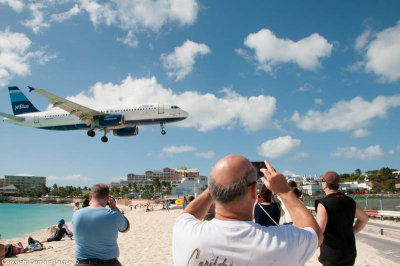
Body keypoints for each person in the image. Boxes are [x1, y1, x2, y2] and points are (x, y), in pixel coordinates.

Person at [172, 155, 323, 266]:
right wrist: (284, 191)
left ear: (212, 191)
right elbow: (314, 233)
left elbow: (188, 214)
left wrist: (215, 186)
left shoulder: (184, 232)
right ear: (253, 191)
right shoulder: (280, 242)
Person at [315, 171, 369, 266]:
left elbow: (320, 231)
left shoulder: (323, 204)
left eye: (322, 181)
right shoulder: (349, 200)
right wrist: (352, 232)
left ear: (325, 184)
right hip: (349, 252)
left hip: (332, 254)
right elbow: (364, 219)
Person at [72, 184, 130, 266]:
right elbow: (126, 228)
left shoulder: (76, 214)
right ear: (107, 198)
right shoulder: (114, 215)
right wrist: (114, 207)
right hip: (109, 263)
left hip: (82, 263)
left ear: (90, 196)